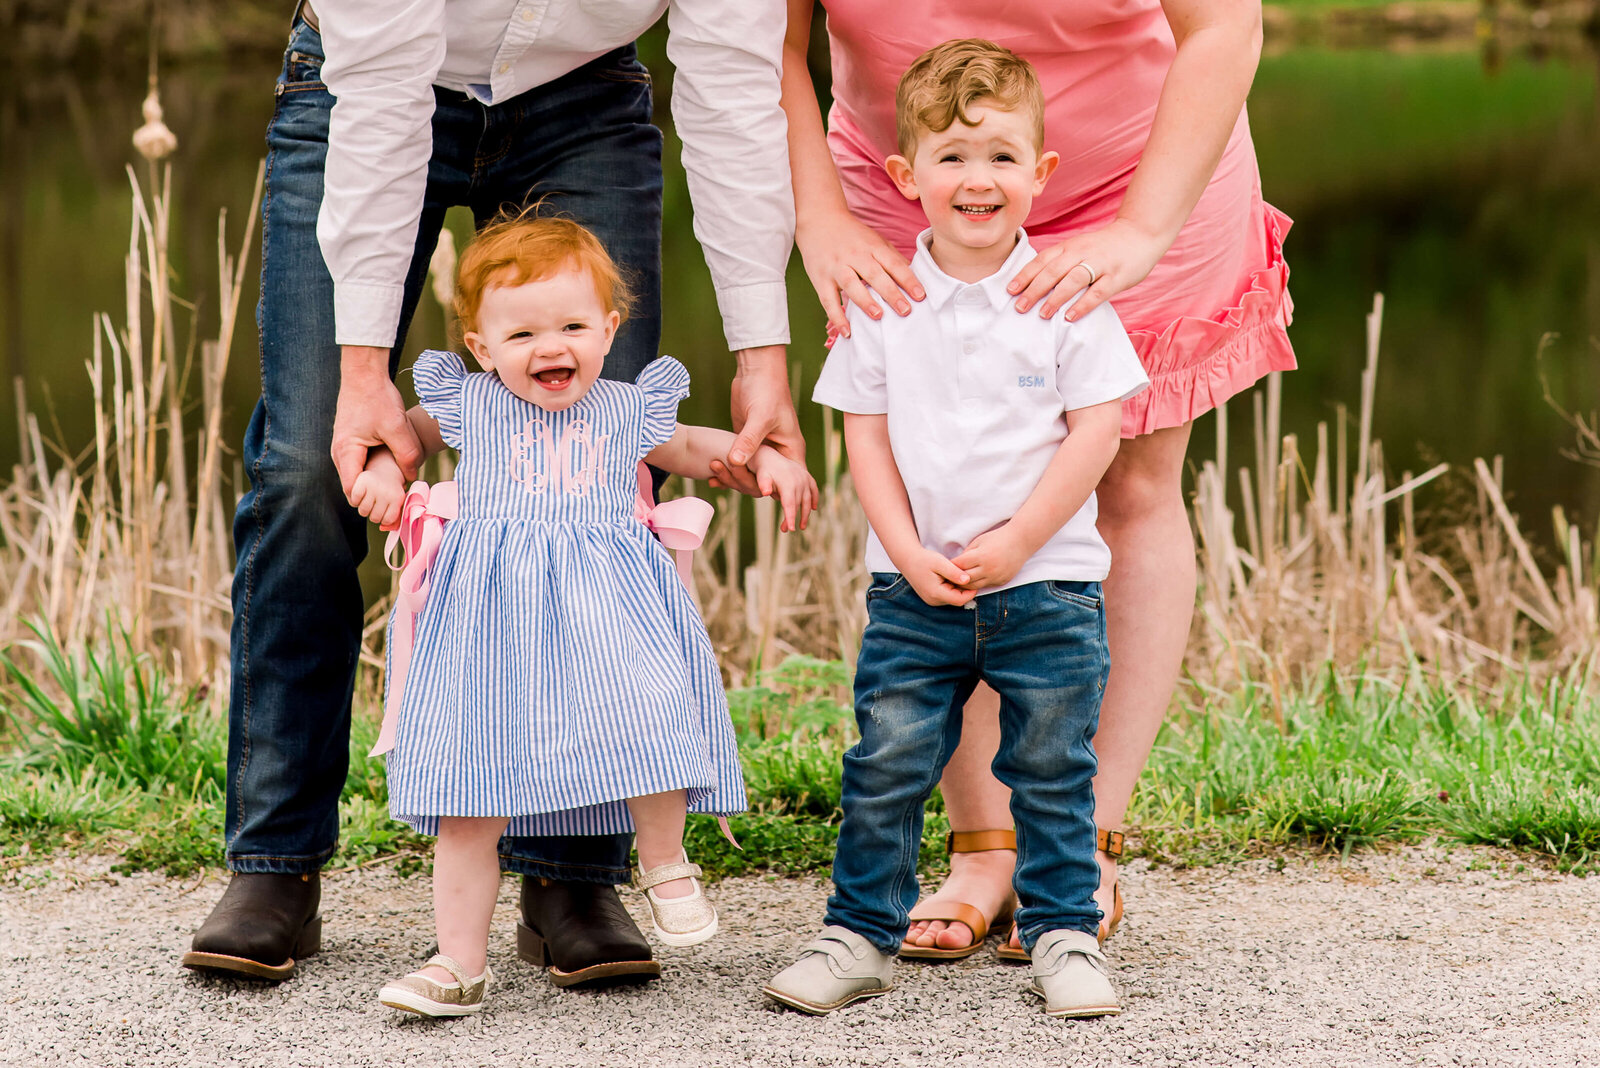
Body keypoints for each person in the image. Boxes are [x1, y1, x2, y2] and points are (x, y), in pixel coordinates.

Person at [183, 0, 800, 986]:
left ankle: (570, 876)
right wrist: (363, 368)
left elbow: (730, 93)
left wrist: (762, 356)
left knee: (601, 485)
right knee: (310, 466)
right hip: (368, 85)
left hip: (584, 96)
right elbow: (382, 91)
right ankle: (275, 865)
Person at [770, 0, 1294, 958]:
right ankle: (984, 848)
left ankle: (1080, 844)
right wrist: (816, 213)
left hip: (1149, 174)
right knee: (952, 497)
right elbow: (766, 39)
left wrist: (1141, 229)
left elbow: (1223, 25)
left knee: (1132, 487)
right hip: (921, 175)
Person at [762, 41, 1149, 1019]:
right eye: (951, 158)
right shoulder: (883, 302)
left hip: (1046, 589)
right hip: (913, 589)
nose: (977, 180)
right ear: (905, 175)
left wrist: (1020, 540)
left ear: (1040, 172)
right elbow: (865, 438)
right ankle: (856, 934)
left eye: (1001, 158)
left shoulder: (1065, 300)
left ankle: (1063, 931)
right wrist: (899, 548)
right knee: (885, 763)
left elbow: (1097, 432)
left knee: (1053, 769)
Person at [343, 216, 814, 1017]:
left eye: (570, 325)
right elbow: (403, 441)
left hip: (613, 612)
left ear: (608, 329)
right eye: (520, 331)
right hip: (490, 624)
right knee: (469, 790)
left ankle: (664, 860)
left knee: (650, 721)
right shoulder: (468, 405)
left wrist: (763, 459)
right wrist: (385, 473)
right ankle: (458, 960)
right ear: (482, 347)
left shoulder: (628, 409)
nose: (549, 346)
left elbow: (698, 449)